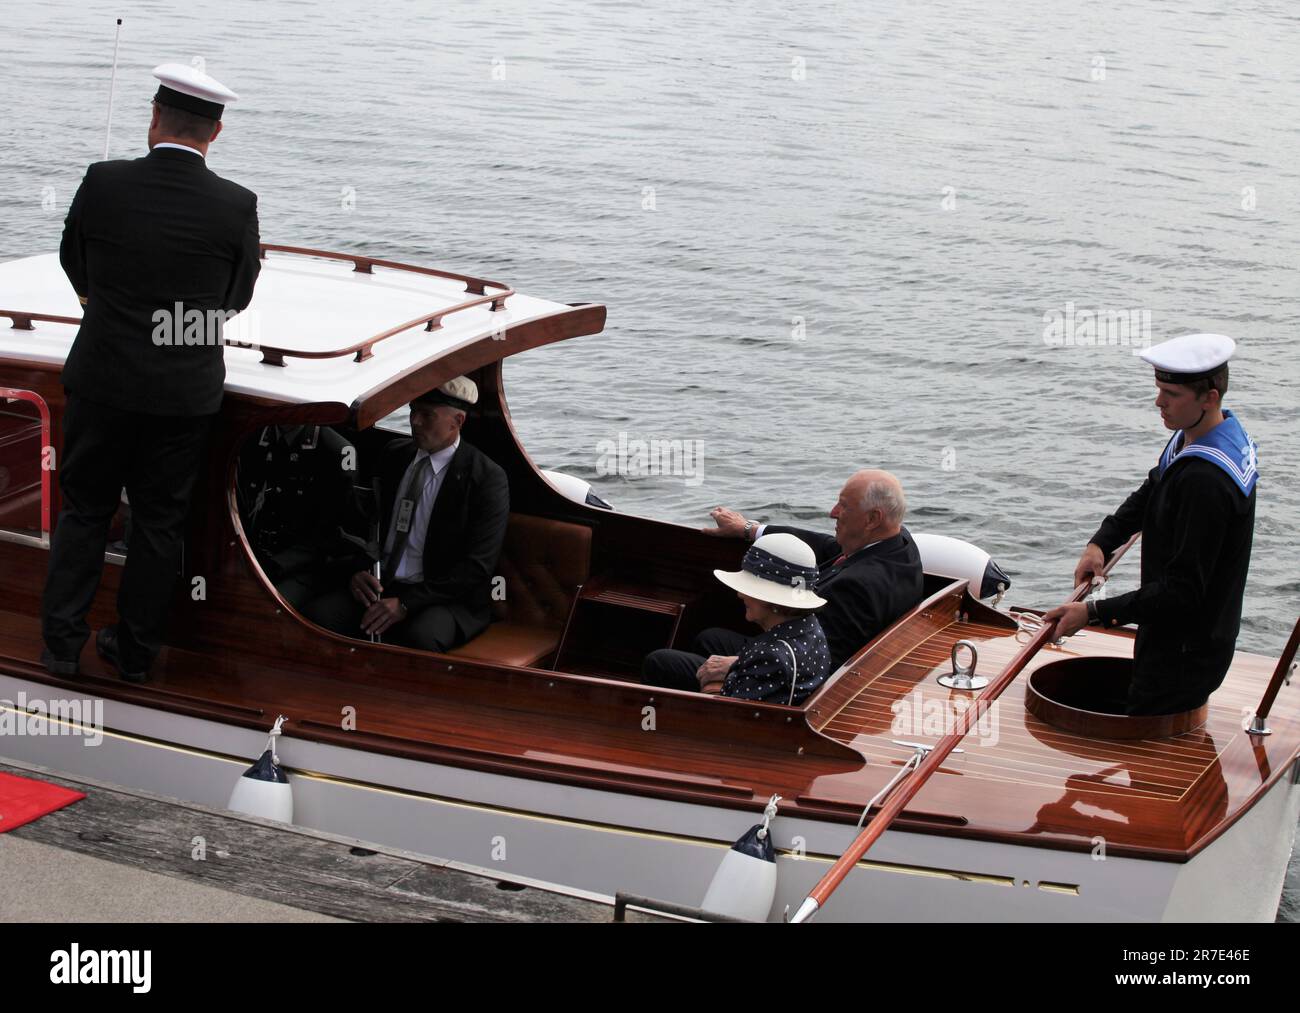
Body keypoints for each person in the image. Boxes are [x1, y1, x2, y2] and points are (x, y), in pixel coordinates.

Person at [42, 62, 261, 682]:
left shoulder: (102, 183)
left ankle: (60, 647)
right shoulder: (235, 205)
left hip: (102, 380)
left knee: (84, 512)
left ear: (154, 119)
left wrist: (107, 309)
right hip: (182, 394)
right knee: (160, 523)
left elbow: (72, 260)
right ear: (214, 134)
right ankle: (136, 655)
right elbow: (237, 296)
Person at [1044, 333, 1257, 716]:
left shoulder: (1206, 482)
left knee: (1145, 740)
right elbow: (1154, 487)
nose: (1158, 402)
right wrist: (1102, 542)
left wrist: (1091, 613)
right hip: (1173, 638)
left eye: (1170, 394)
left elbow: (1182, 592)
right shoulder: (1206, 434)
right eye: (1159, 389)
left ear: (1209, 397)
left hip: (1184, 653)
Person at [642, 469, 924, 688]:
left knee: (661, 662)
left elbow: (821, 664)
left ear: (873, 519)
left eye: (843, 506)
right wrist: (750, 530)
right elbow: (827, 544)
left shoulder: (859, 586)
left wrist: (736, 666)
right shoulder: (897, 543)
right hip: (811, 655)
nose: (832, 513)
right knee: (709, 638)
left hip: (799, 677)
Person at [301, 377, 509, 652]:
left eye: (427, 415)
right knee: (318, 616)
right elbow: (363, 524)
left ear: (457, 421)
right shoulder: (394, 456)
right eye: (413, 410)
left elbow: (477, 567)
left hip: (442, 597)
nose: (414, 422)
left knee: (419, 637)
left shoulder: (485, 478)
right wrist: (356, 571)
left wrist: (406, 604)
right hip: (383, 584)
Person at [669, 533, 832, 704]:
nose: (740, 594)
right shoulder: (810, 625)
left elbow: (732, 718)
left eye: (750, 589)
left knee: (660, 663)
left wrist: (713, 685)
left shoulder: (771, 657)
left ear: (773, 600)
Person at [236, 425, 357, 610]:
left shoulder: (335, 451)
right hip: (251, 551)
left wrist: (275, 565)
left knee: (261, 606)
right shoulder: (252, 438)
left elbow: (330, 533)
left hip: (303, 567)